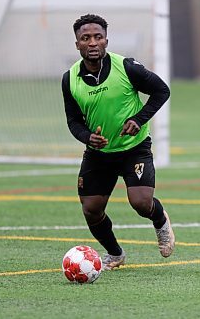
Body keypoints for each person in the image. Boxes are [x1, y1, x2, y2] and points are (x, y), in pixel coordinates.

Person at [61, 14, 175, 270]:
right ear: (77, 44)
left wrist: (139, 117)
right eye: (85, 38)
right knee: (91, 209)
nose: (92, 43)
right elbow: (73, 121)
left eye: (98, 37)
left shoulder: (127, 67)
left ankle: (160, 222)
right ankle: (115, 253)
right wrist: (87, 137)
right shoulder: (70, 79)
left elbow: (161, 90)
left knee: (141, 202)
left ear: (106, 41)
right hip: (98, 154)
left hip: (133, 148)